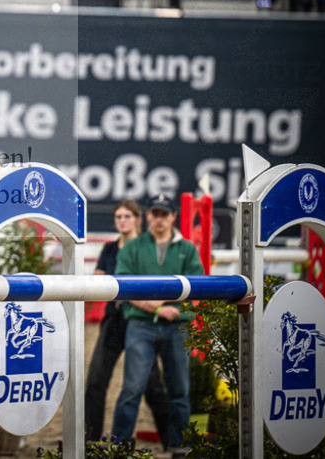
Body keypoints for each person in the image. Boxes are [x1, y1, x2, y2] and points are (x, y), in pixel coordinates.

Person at [111, 193, 204, 456]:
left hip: (175, 325)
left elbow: (197, 287)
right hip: (143, 325)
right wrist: (160, 307)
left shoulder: (187, 249)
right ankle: (118, 448)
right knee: (132, 389)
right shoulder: (133, 247)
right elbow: (123, 285)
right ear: (148, 216)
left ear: (173, 217)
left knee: (179, 390)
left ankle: (179, 446)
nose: (159, 218)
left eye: (164, 214)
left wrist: (155, 301)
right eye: (155, 213)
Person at [84, 199, 169, 444]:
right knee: (95, 383)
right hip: (113, 320)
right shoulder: (110, 249)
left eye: (127, 216)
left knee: (152, 388)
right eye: (118, 217)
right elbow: (97, 281)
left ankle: (174, 442)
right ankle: (91, 442)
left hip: (140, 323)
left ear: (137, 219)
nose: (122, 221)